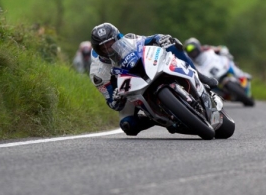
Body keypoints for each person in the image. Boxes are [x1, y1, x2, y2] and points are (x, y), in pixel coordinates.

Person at [89, 23, 218, 136]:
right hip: (128, 89)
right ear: (97, 49)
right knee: (128, 126)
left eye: (111, 43)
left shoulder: (128, 39)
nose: (109, 48)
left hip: (146, 68)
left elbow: (150, 39)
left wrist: (161, 38)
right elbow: (112, 103)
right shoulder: (97, 73)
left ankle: (199, 76)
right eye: (103, 47)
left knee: (173, 45)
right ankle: (160, 119)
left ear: (118, 38)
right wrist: (117, 97)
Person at [184, 37, 252, 82]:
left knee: (228, 61)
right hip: (207, 74)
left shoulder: (206, 48)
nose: (191, 50)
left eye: (191, 47)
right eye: (188, 49)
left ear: (197, 45)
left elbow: (221, 48)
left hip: (218, 64)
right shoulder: (190, 60)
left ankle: (242, 75)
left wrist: (224, 51)